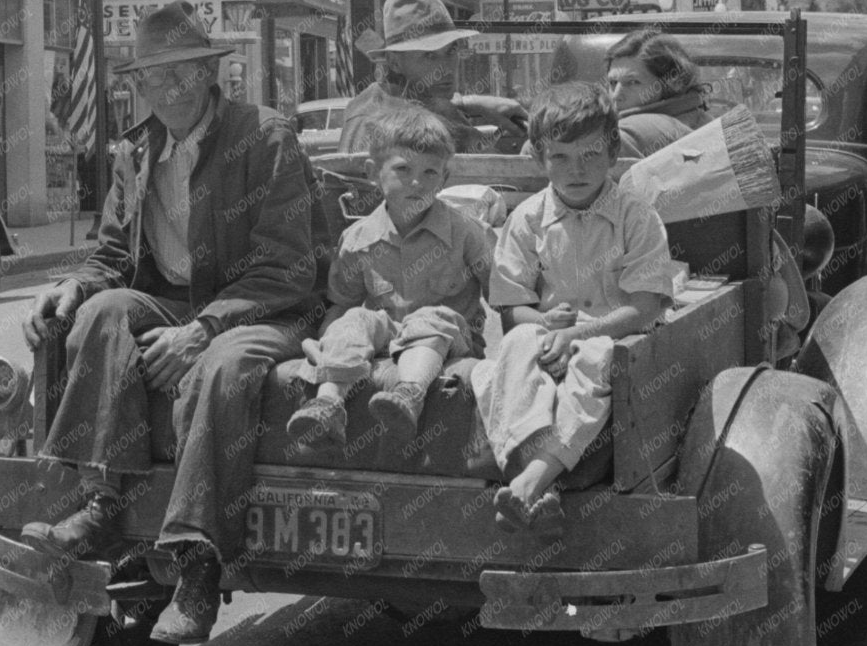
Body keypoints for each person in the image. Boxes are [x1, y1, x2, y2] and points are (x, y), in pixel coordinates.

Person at [20, 3, 319, 646]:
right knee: (101, 312)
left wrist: (203, 329)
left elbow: (288, 269)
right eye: (152, 76)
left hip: (266, 308)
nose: (167, 87)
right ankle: (101, 502)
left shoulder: (265, 137)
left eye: (181, 71)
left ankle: (198, 564)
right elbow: (111, 254)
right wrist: (75, 284)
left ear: (209, 73)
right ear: (137, 84)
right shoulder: (135, 150)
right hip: (178, 303)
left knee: (222, 365)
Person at [474, 81, 674, 528]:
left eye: (590, 154)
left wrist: (579, 334)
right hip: (549, 336)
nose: (576, 169)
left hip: (614, 335)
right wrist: (545, 321)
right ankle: (533, 480)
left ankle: (531, 481)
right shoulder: (527, 219)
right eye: (560, 157)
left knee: (594, 360)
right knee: (514, 349)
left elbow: (645, 307)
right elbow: (512, 310)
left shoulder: (636, 217)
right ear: (538, 157)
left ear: (613, 151)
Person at [286, 111, 495, 464]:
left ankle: (409, 395)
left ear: (444, 178)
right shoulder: (358, 239)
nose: (417, 183)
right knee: (354, 319)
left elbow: (501, 296)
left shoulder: (465, 233)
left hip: (448, 340)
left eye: (430, 172)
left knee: (430, 317)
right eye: (403, 169)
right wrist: (329, 338)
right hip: (387, 338)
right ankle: (328, 404)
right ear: (372, 172)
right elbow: (341, 303)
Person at [336, 0, 487, 158]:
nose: (445, 68)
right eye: (429, 55)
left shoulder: (365, 102)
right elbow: (498, 165)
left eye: (451, 51)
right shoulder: (427, 120)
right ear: (395, 63)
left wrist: (469, 103)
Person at [602, 30, 712, 157]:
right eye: (613, 82)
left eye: (633, 82)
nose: (616, 95)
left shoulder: (627, 134)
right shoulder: (705, 121)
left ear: (672, 84)